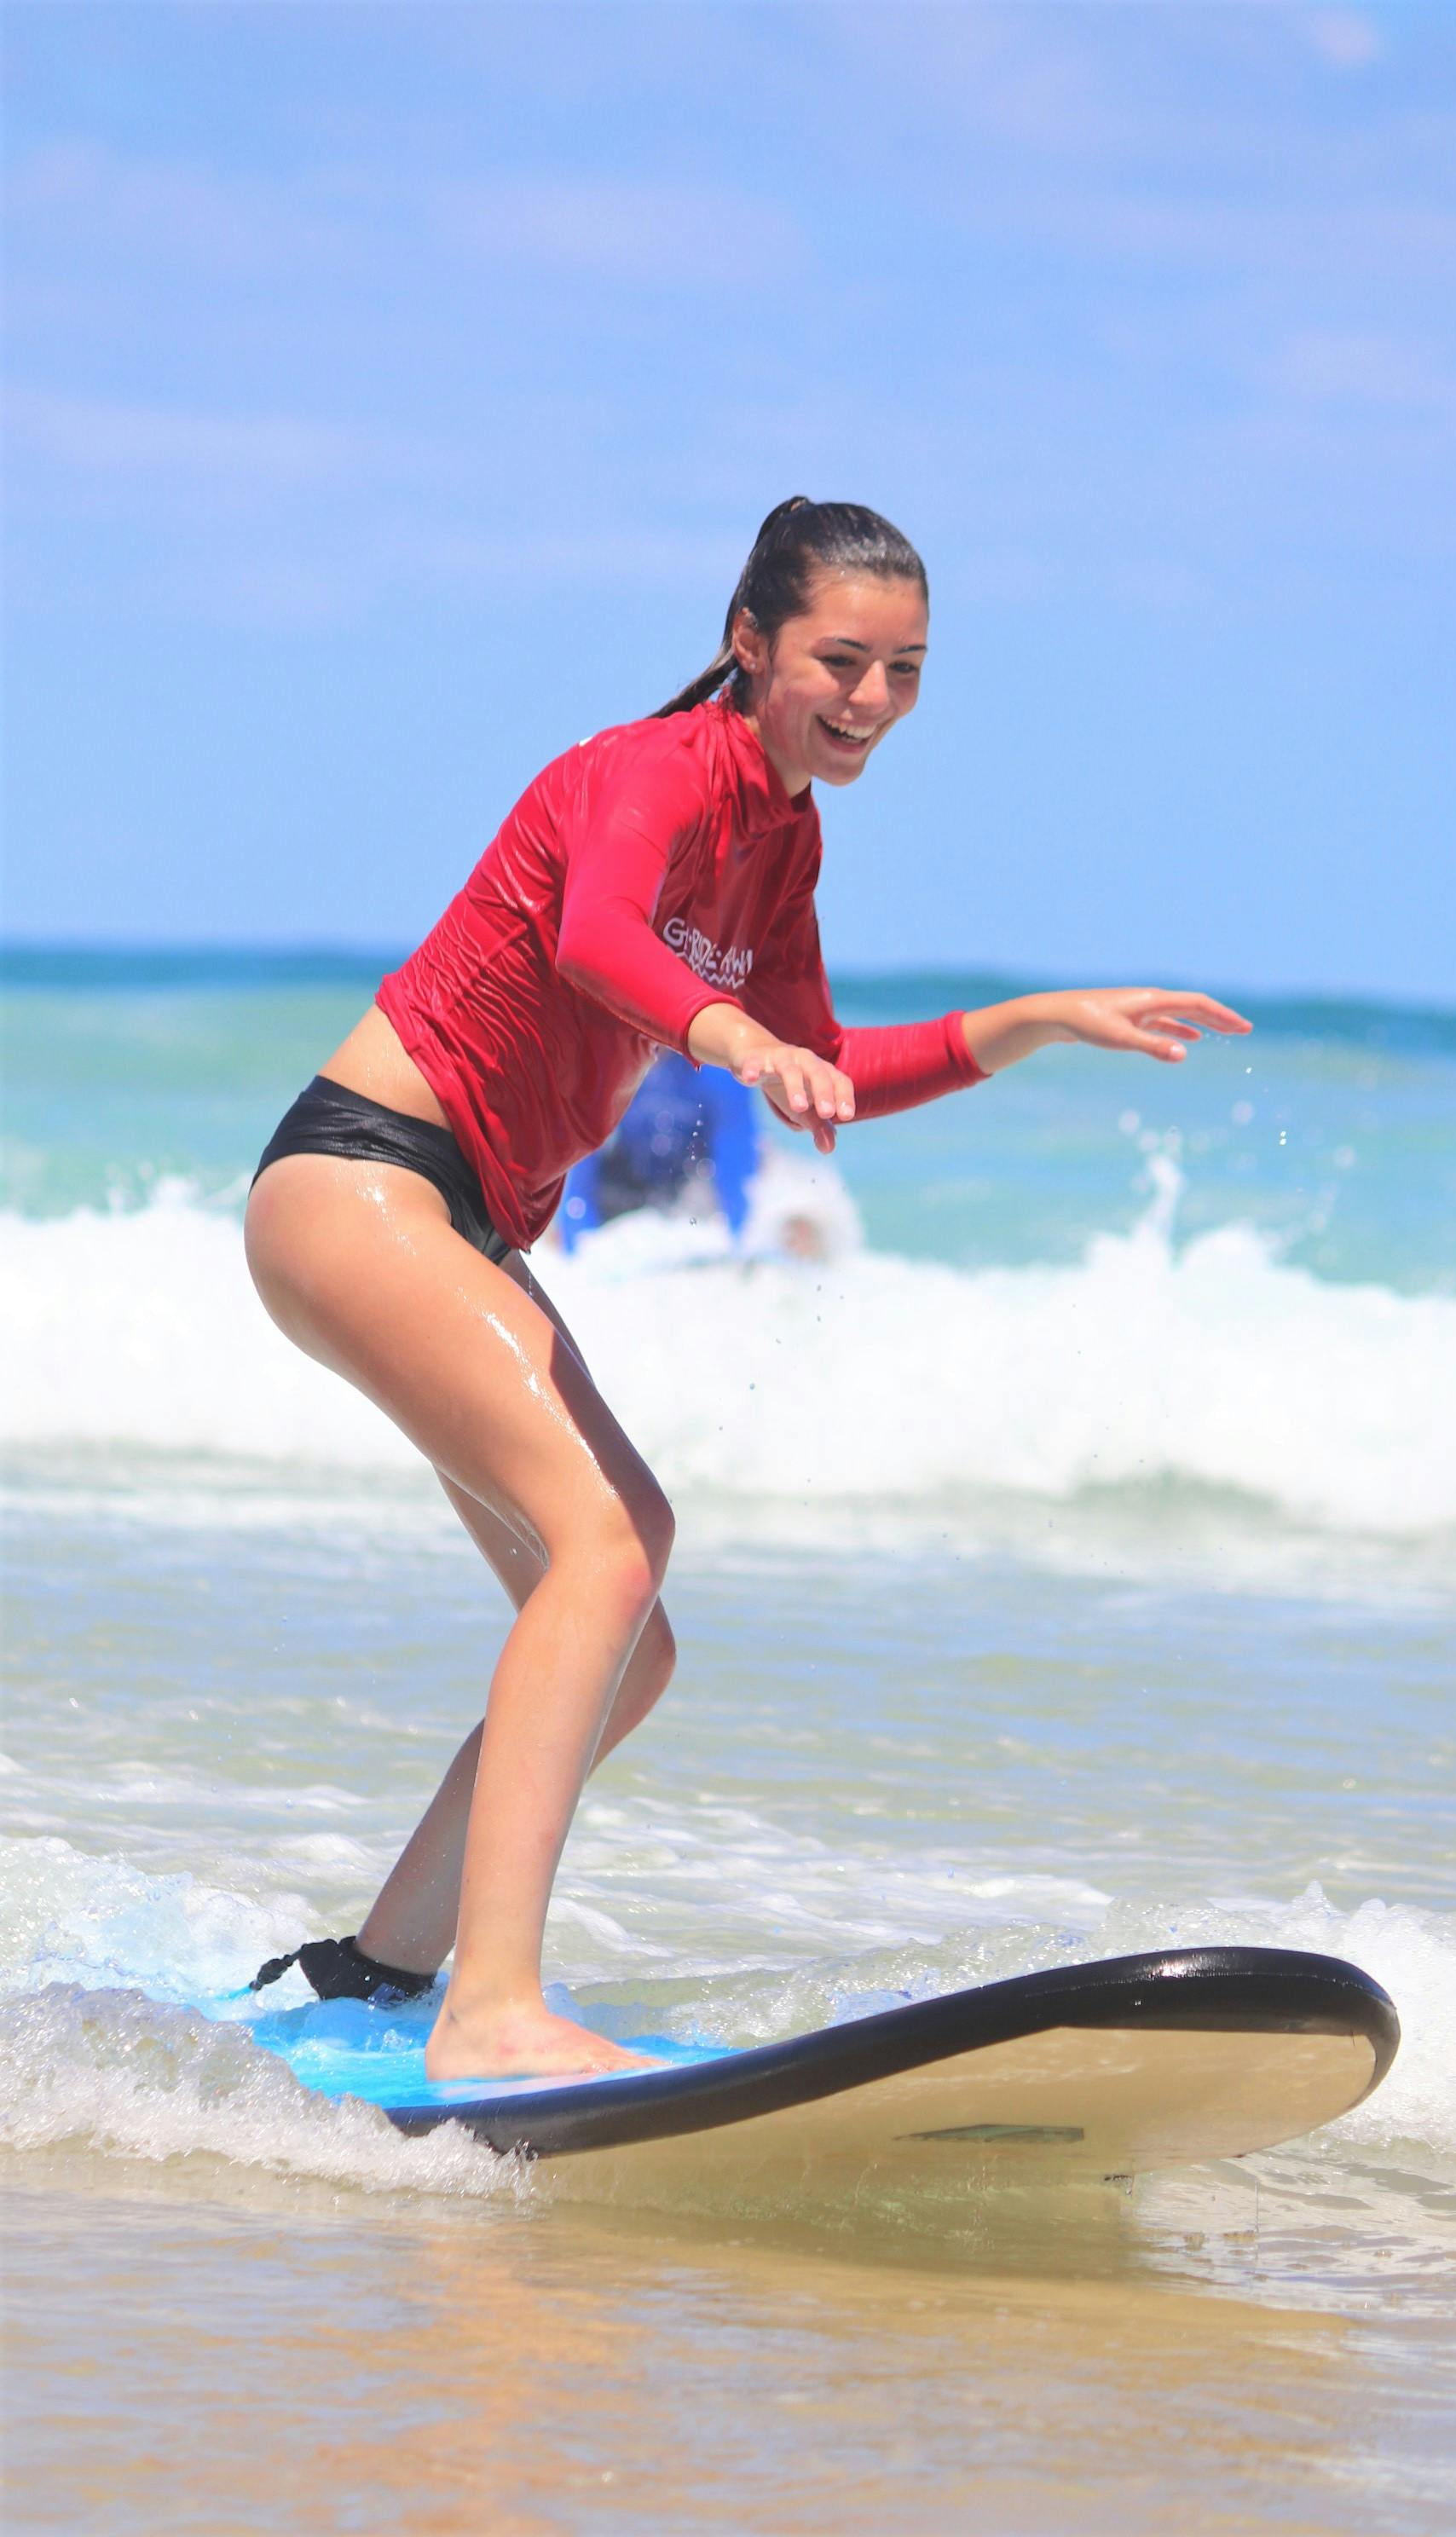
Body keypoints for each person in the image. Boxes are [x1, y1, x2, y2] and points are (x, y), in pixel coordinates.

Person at [243, 497, 1250, 2083]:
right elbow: (593, 939)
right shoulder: (644, 772)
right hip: (363, 1177)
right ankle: (495, 2007)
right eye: (839, 660)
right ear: (748, 646)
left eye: (903, 671)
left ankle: (374, 1968)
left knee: (624, 1644)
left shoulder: (783, 839)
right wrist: (725, 1037)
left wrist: (1035, 1017)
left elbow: (830, 1066)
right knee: (611, 1540)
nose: (868, 700)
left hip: (453, 1224)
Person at [558, 1051, 759, 1248]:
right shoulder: (606, 1066)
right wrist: (578, 1244)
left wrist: (737, 1239)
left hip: (693, 1179)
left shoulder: (716, 1069)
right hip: (630, 1178)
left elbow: (735, 1157)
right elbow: (580, 1163)